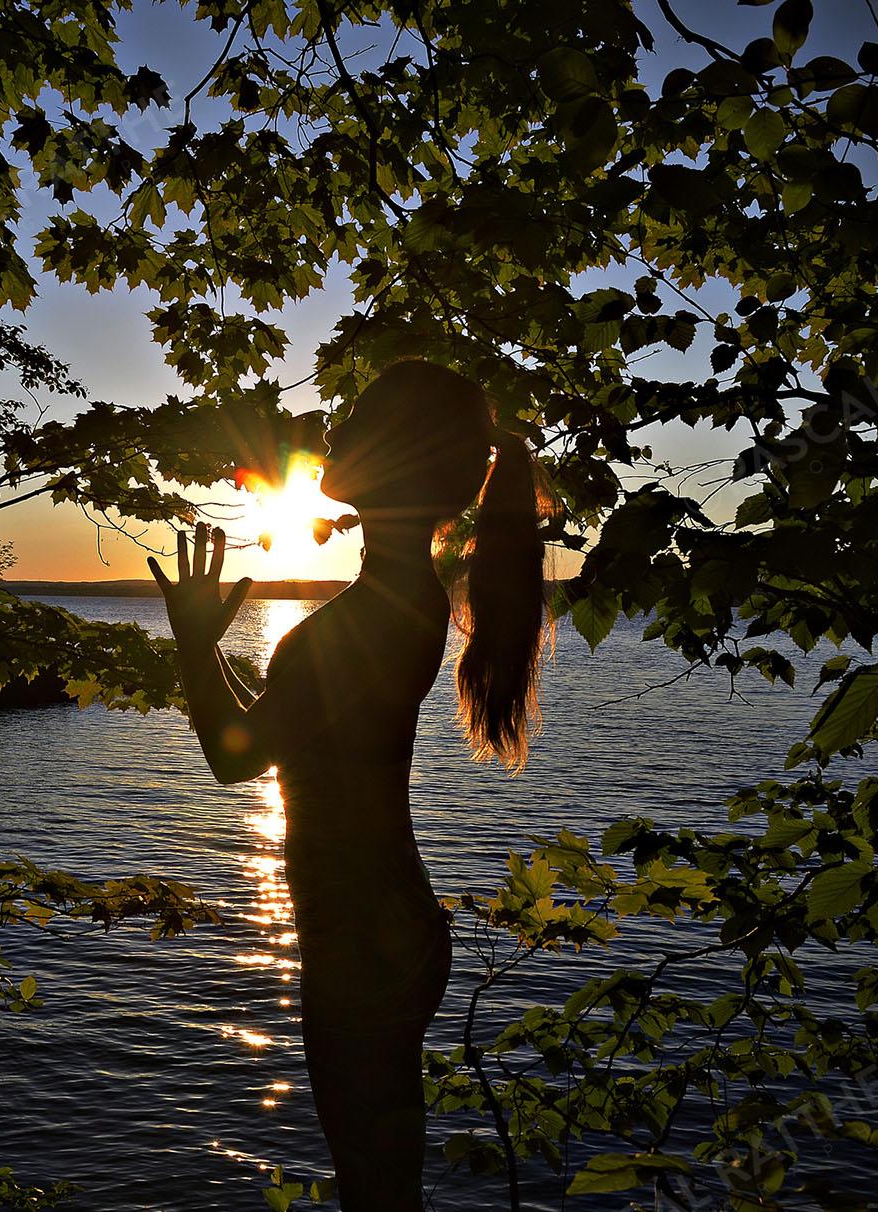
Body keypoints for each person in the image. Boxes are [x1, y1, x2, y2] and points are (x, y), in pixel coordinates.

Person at [148, 360, 549, 1210]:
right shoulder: (400, 598)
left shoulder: (371, 614)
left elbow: (237, 757)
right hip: (384, 924)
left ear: (397, 459)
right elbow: (288, 738)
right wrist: (208, 653)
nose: (331, 434)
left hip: (364, 937)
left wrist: (191, 642)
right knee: (382, 1181)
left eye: (356, 420)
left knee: (376, 1192)